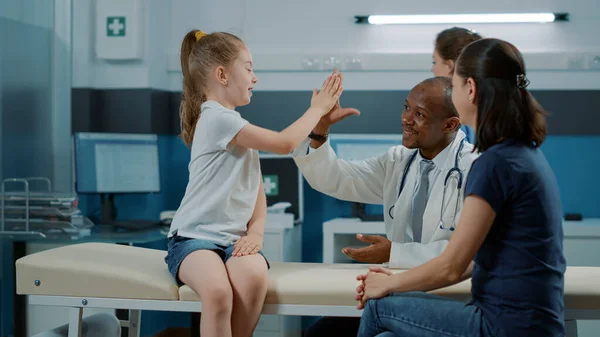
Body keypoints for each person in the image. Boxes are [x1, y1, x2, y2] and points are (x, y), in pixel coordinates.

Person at [356, 38, 566, 337]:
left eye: (453, 86)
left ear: (470, 89)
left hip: (502, 326)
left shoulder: (494, 164)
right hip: (530, 322)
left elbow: (452, 266)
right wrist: (397, 280)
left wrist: (387, 283)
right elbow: (475, 258)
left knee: (379, 307)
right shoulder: (524, 154)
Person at [163, 30, 343, 337]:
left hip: (233, 242)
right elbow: (286, 143)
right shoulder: (218, 119)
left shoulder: (236, 125)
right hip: (193, 239)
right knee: (218, 293)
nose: (255, 77)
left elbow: (255, 190)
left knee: (252, 280)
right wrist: (317, 109)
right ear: (222, 75)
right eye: (248, 67)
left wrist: (256, 232)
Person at [292, 76, 479, 337]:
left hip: (449, 299)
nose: (406, 118)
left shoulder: (475, 168)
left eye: (419, 114)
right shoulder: (398, 161)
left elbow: (466, 257)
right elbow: (335, 179)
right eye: (406, 107)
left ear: (450, 124)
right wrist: (320, 129)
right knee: (319, 333)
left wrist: (395, 252)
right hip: (397, 292)